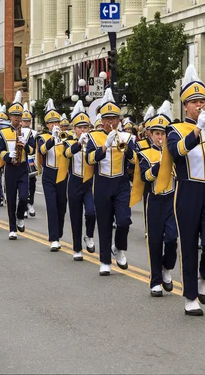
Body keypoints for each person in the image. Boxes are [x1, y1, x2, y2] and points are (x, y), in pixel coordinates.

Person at [156, 65, 205, 315]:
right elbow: (177, 151)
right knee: (189, 244)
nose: (200, 105)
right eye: (194, 102)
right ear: (186, 106)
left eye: (202, 100)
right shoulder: (175, 129)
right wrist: (198, 130)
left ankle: (204, 278)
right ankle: (190, 296)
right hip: (188, 191)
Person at [85, 89, 136, 276]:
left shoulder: (128, 137)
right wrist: (105, 145)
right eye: (107, 119)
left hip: (121, 183)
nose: (111, 122)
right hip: (102, 183)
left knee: (123, 221)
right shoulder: (92, 137)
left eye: (114, 118)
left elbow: (135, 161)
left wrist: (126, 148)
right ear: (101, 120)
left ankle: (119, 248)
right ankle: (105, 260)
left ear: (119, 119)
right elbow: (90, 160)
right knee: (104, 223)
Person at [131, 102, 177, 297]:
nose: (160, 137)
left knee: (173, 239)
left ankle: (167, 268)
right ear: (150, 134)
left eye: (163, 133)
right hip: (155, 200)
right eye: (156, 133)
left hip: (173, 200)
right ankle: (155, 280)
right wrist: (159, 165)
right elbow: (145, 177)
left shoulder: (176, 152)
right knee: (155, 241)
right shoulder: (145, 154)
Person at [0, 91, 36, 240]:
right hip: (10, 168)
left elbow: (33, 150)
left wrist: (25, 146)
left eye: (19, 116)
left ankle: (20, 217)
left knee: (24, 196)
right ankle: (12, 228)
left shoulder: (27, 133)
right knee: (11, 199)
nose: (17, 118)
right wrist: (7, 156)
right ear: (10, 117)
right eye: (14, 116)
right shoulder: (3, 132)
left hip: (23, 168)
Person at [63, 101, 96, 260]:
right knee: (75, 217)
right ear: (74, 129)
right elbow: (67, 154)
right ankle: (77, 248)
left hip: (89, 183)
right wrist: (79, 143)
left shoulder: (94, 141)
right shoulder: (69, 141)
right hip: (75, 183)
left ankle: (89, 235)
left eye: (86, 127)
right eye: (80, 127)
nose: (83, 130)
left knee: (91, 212)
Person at [37, 99, 69, 251]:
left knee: (62, 206)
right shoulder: (43, 137)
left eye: (56, 122)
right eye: (51, 123)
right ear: (47, 125)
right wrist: (52, 138)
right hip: (49, 174)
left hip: (62, 173)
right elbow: (42, 151)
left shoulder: (65, 136)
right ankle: (54, 238)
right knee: (51, 206)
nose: (54, 125)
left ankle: (59, 232)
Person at [21, 104, 37, 217]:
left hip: (31, 159)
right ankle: (24, 206)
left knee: (32, 183)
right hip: (21, 159)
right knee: (22, 184)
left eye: (28, 121)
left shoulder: (34, 133)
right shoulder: (17, 131)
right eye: (24, 120)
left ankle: (30, 203)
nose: (26, 123)